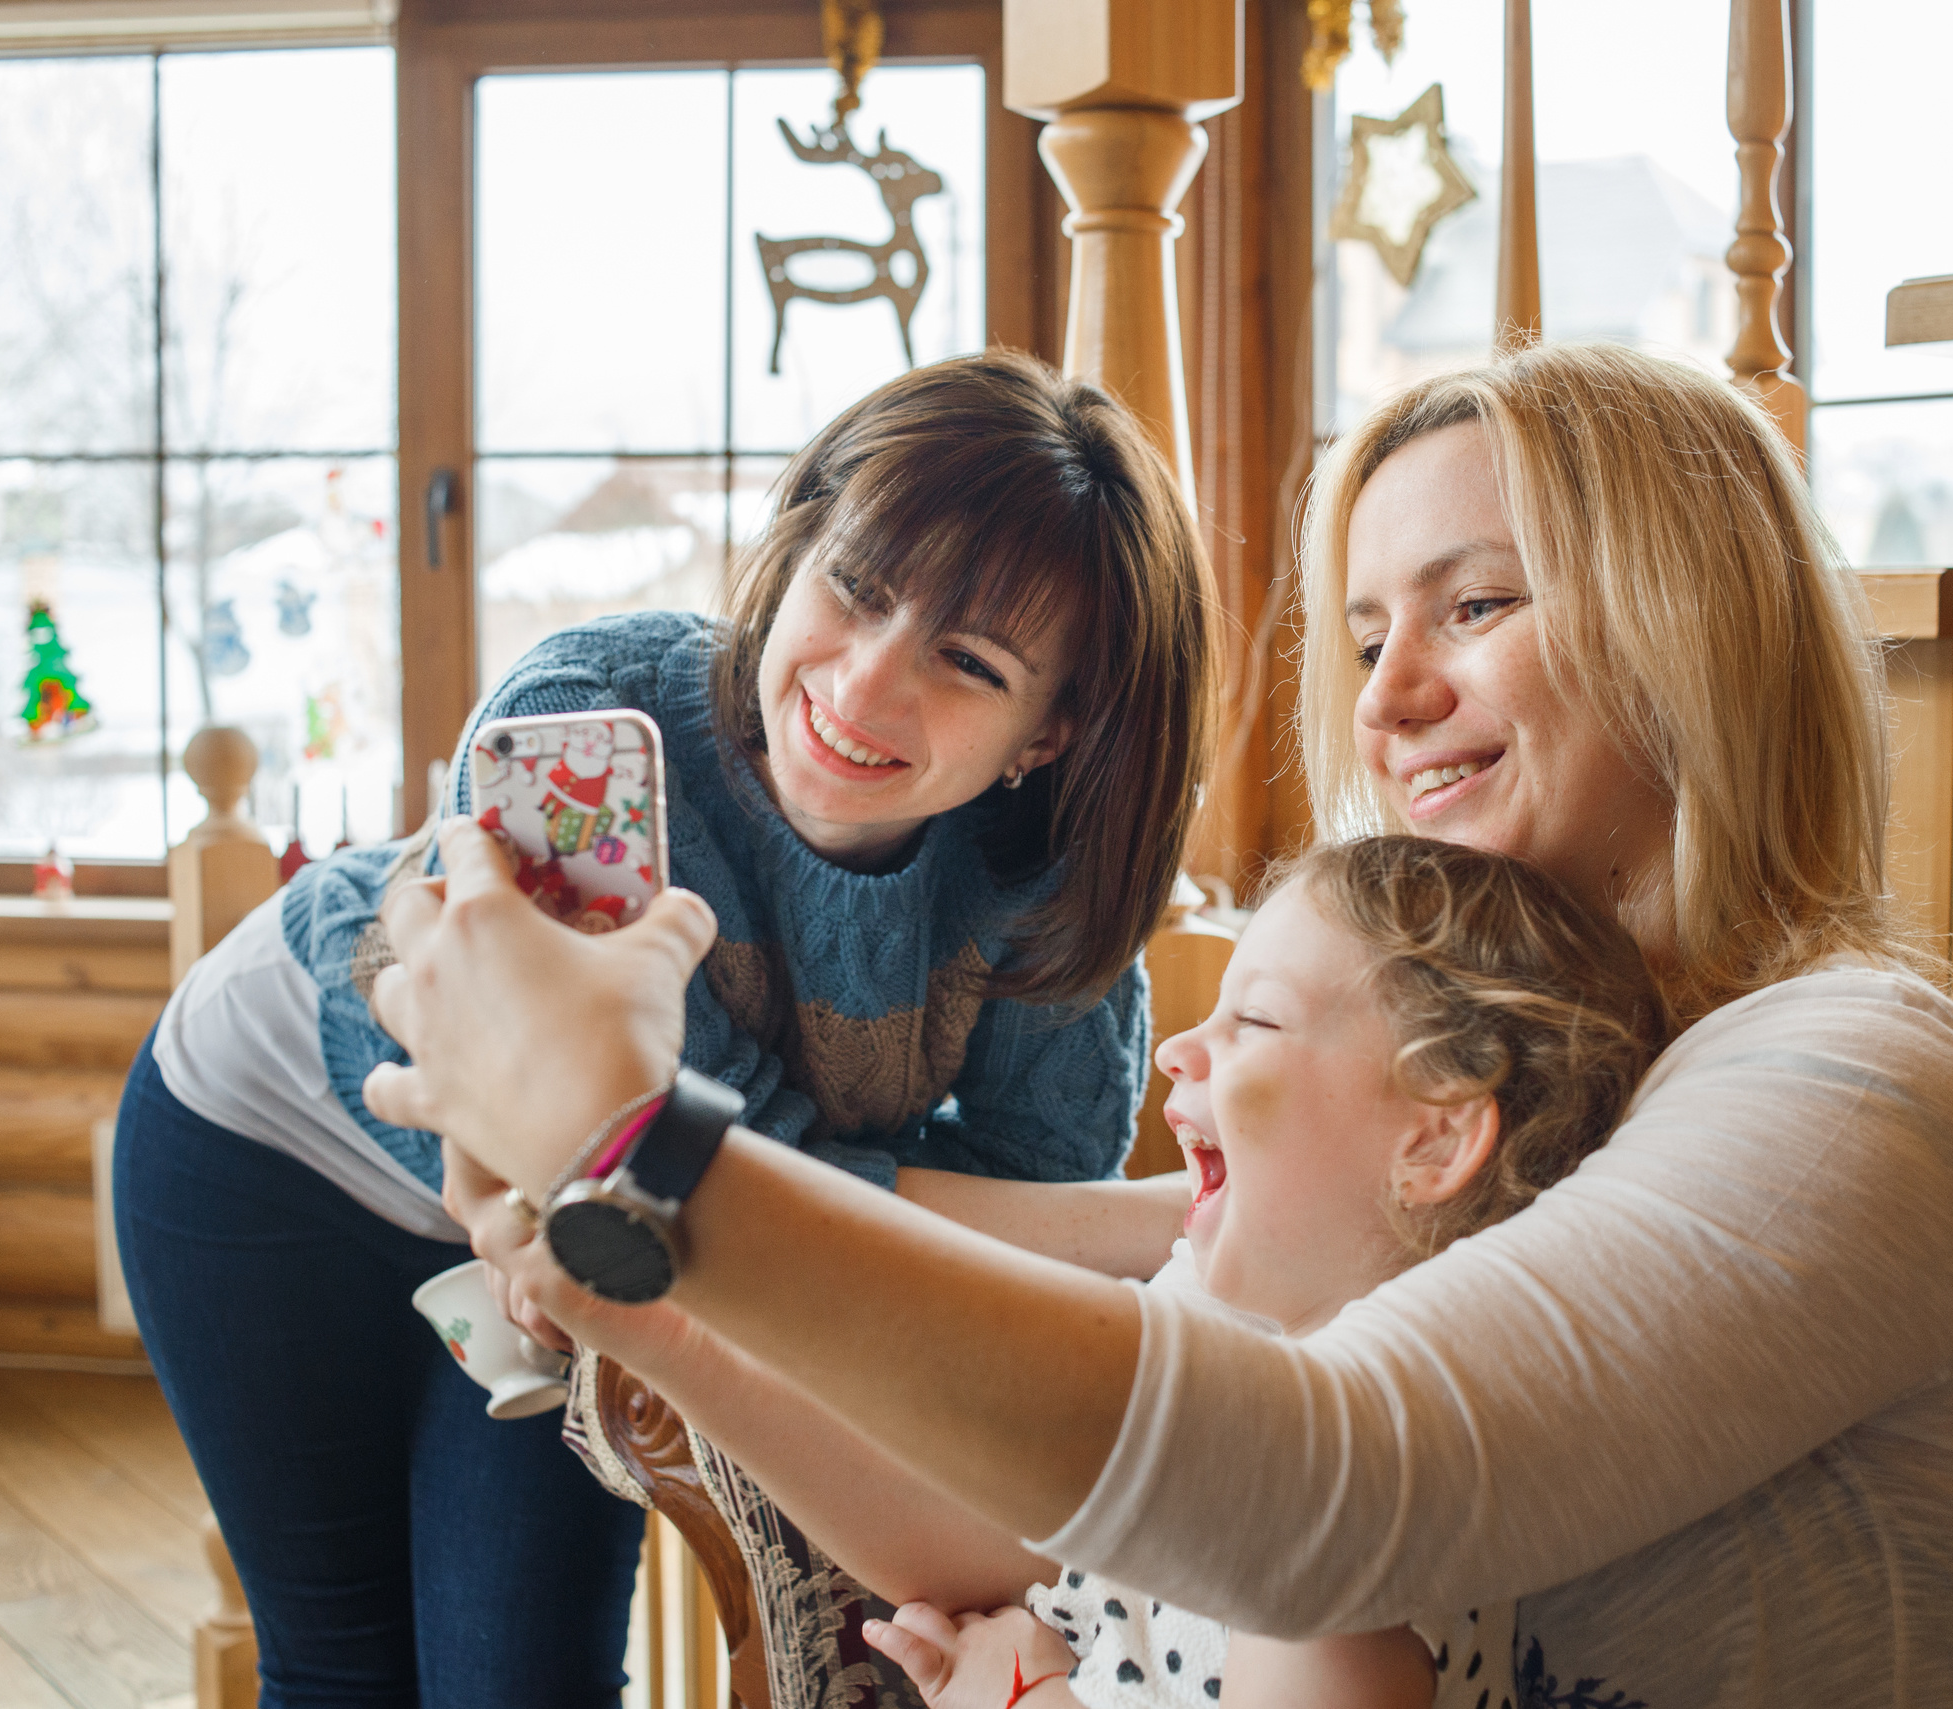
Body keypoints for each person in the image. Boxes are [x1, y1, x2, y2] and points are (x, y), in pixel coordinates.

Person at [371, 341, 1953, 1705]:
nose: (1391, 693)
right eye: (1367, 631)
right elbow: (1067, 1527)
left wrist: (644, 1147)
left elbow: (1320, 1496)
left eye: (1477, 603)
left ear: (1700, 622)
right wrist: (652, 1305)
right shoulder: (1478, 1119)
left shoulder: (1860, 1081)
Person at [113, 351, 1217, 1706]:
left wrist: (1116, 1227)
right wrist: (1167, 1221)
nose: (866, 687)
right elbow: (672, 1165)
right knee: (342, 1667)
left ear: (1049, 737)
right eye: (857, 588)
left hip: (550, 1245)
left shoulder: (1049, 886)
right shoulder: (587, 721)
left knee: (520, 1682)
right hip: (271, 1132)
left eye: (970, 663)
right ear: (798, 543)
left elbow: (974, 1250)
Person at [466, 834, 1666, 1709]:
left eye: (1254, 1021)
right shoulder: (1220, 1316)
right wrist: (674, 1337)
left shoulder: (1356, 1548)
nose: (1178, 1053)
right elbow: (996, 1532)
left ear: (1435, 1137)